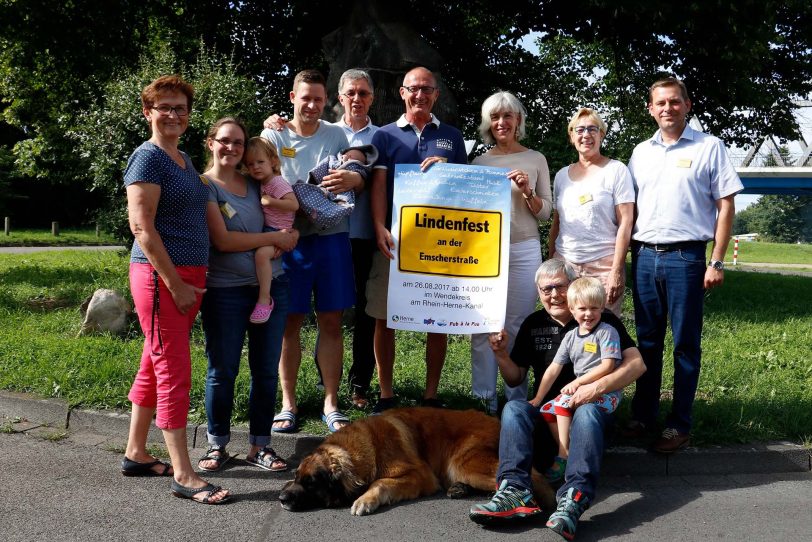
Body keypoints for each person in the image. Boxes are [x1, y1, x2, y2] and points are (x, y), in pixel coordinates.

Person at [468, 259, 646, 541]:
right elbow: (515, 379)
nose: (553, 295)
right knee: (514, 408)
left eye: (559, 287)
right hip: (549, 415)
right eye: (545, 289)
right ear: (538, 293)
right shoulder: (533, 324)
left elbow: (637, 365)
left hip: (589, 417)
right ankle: (514, 490)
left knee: (587, 413)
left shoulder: (600, 318)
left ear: (573, 286)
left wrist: (595, 389)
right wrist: (501, 355)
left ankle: (573, 499)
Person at [121, 75, 229, 504]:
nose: (173, 114)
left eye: (180, 108)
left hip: (188, 276)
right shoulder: (147, 158)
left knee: (154, 363)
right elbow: (141, 227)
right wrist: (175, 283)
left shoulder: (182, 158)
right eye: (164, 107)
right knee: (173, 372)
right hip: (162, 276)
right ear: (148, 112)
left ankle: (135, 453)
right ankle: (184, 474)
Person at [625, 77, 743, 453]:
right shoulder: (640, 152)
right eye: (660, 103)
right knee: (646, 344)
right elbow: (627, 209)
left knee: (685, 345)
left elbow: (726, 205)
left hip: (686, 258)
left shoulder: (709, 147)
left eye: (674, 102)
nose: (667, 109)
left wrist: (717, 261)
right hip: (643, 256)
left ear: (688, 105)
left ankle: (679, 425)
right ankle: (642, 416)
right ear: (650, 109)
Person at [264, 68, 379, 410]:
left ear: (326, 100)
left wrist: (352, 179)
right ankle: (288, 403)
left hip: (332, 238)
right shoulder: (274, 136)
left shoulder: (336, 136)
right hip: (290, 241)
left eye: (317, 99)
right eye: (305, 98)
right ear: (292, 99)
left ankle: (331, 403)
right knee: (290, 322)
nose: (311, 105)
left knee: (332, 320)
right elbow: (259, 180)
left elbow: (356, 170)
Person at [197, 118, 299, 473]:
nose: (231, 148)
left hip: (272, 288)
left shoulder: (257, 184)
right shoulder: (205, 185)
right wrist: (275, 240)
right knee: (222, 371)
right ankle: (217, 446)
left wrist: (284, 237)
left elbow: (283, 208)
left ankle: (260, 446)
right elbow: (223, 241)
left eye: (238, 142)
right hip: (224, 291)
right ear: (211, 142)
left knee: (266, 371)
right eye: (224, 141)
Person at [368, 66, 468, 413]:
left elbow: (464, 191)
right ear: (402, 93)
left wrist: (449, 170)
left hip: (438, 243)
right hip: (394, 238)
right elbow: (378, 185)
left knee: (437, 315)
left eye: (427, 89)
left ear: (436, 94)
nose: (421, 95)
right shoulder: (384, 135)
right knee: (384, 315)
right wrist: (379, 226)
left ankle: (430, 395)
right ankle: (385, 394)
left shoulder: (453, 137)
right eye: (414, 89)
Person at [470, 91, 552, 413]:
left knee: (516, 326)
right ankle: (483, 400)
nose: (501, 122)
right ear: (488, 124)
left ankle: (516, 401)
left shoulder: (536, 159)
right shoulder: (478, 163)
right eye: (495, 117)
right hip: (484, 252)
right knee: (481, 326)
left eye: (508, 116)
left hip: (523, 249)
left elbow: (545, 212)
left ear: (518, 120)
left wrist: (528, 192)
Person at [530, 277, 622, 483]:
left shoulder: (607, 332)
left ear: (602, 307)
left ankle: (563, 456)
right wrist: (538, 398)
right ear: (571, 309)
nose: (588, 314)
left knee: (563, 402)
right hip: (582, 390)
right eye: (582, 309)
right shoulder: (570, 336)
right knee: (546, 409)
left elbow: (607, 366)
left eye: (594, 308)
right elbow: (554, 368)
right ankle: (569, 449)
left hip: (606, 393)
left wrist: (578, 383)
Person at [548, 107, 635, 317]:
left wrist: (616, 270)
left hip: (603, 267)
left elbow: (626, 222)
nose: (586, 135)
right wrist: (551, 263)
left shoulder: (616, 171)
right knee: (563, 327)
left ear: (601, 135)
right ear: (571, 136)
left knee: (602, 330)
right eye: (580, 130)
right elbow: (557, 224)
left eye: (592, 129)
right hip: (565, 265)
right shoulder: (561, 176)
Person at [245, 137, 298, 325]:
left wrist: (271, 201)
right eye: (250, 164)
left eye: (260, 162)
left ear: (273, 161)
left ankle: (264, 299)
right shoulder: (263, 183)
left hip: (278, 230)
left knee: (261, 255)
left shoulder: (277, 182)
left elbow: (294, 204)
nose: (256, 167)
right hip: (271, 229)